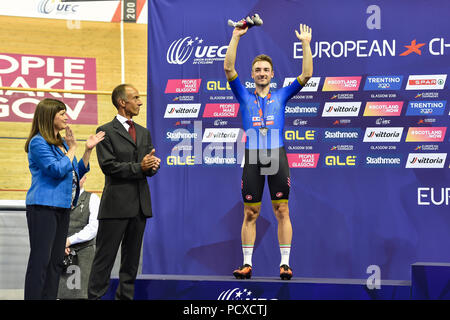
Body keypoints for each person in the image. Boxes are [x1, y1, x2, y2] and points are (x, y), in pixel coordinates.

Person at [224, 23, 313, 280]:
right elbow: (229, 67)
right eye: (257, 70)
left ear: (272, 74)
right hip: (252, 157)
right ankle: (247, 264)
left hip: (276, 156)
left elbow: (306, 74)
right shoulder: (243, 95)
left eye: (265, 70)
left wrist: (305, 44)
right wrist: (236, 36)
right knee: (250, 212)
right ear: (252, 74)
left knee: (282, 211)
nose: (261, 73)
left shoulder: (283, 95)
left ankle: (285, 263)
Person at [24, 98, 105, 300]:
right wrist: (72, 148)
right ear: (49, 117)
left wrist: (86, 150)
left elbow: (76, 171)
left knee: (55, 261)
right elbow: (56, 170)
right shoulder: (37, 142)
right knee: (41, 260)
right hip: (43, 207)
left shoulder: (60, 143)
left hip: (62, 207)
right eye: (62, 114)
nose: (66, 117)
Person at [88, 84, 161, 300]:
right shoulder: (105, 131)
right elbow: (109, 166)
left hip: (139, 206)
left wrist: (153, 166)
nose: (139, 102)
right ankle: (95, 297)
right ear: (122, 102)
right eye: (135, 98)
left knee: (130, 262)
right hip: (115, 207)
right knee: (104, 259)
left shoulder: (143, 132)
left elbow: (147, 167)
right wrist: (141, 167)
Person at [57, 174, 100, 300]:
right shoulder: (59, 198)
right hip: (62, 252)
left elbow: (93, 228)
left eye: (78, 177)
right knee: (59, 293)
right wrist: (60, 243)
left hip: (85, 254)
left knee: (84, 294)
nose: (74, 181)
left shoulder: (93, 198)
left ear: (84, 178)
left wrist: (68, 241)